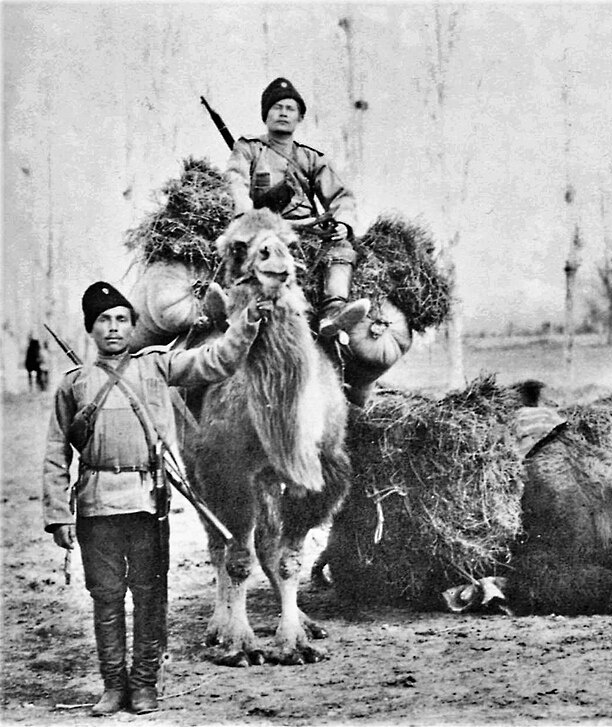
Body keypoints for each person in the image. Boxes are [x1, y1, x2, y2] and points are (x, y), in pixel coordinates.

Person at [43, 282, 267, 715]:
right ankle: (113, 687)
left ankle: (144, 685)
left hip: (147, 501)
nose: (114, 328)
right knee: (105, 598)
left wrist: (246, 325)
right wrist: (59, 515)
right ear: (91, 329)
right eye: (104, 320)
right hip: (95, 506)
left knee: (150, 596)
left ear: (133, 326)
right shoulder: (75, 384)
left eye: (122, 319)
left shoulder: (157, 366)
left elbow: (215, 360)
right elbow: (55, 452)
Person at [225, 78, 397, 380]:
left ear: (300, 117)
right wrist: (245, 215)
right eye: (277, 107)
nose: (283, 113)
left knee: (342, 249)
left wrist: (342, 224)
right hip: (266, 231)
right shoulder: (248, 149)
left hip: (308, 230)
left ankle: (333, 313)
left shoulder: (310, 157)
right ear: (265, 114)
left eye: (290, 108)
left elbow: (341, 195)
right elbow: (235, 180)